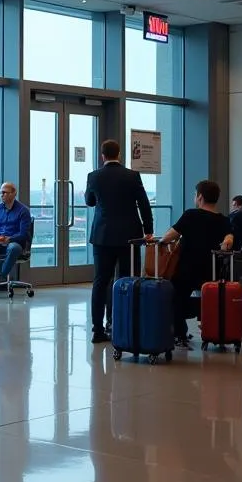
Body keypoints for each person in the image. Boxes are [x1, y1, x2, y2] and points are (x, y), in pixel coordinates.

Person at [84, 139, 154, 344]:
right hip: (130, 236)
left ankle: (98, 330)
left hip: (102, 236)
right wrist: (148, 230)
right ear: (120, 154)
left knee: (101, 281)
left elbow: (90, 201)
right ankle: (122, 325)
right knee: (126, 280)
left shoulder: (94, 176)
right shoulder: (132, 176)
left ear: (102, 156)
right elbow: (144, 204)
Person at [160, 179, 233, 347]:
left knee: (175, 295)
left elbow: (169, 236)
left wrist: (162, 240)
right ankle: (210, 330)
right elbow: (229, 240)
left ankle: (180, 333)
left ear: (200, 197)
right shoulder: (223, 220)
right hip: (211, 272)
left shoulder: (191, 215)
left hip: (187, 270)